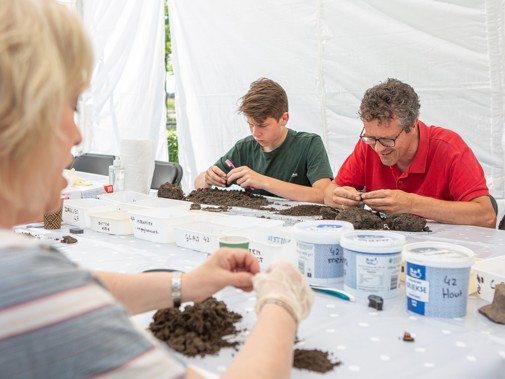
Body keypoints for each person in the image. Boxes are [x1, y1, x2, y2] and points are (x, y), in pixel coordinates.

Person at [0, 1, 314, 378]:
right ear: (17, 116)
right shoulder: (23, 283)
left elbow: (72, 289)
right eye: (68, 105)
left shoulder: (25, 277)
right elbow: (52, 294)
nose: (78, 134)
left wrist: (188, 284)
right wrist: (281, 302)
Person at [324, 78, 496, 228]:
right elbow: (330, 192)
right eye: (371, 138)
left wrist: (412, 204)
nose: (378, 148)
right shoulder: (369, 145)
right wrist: (338, 197)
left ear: (412, 125)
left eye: (388, 140)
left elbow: (486, 217)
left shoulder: (449, 148)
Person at [194, 78, 333, 204]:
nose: (255, 133)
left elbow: (325, 195)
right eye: (250, 124)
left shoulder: (309, 144)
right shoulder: (244, 148)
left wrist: (263, 182)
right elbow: (198, 184)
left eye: (262, 125)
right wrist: (207, 177)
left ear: (284, 119)